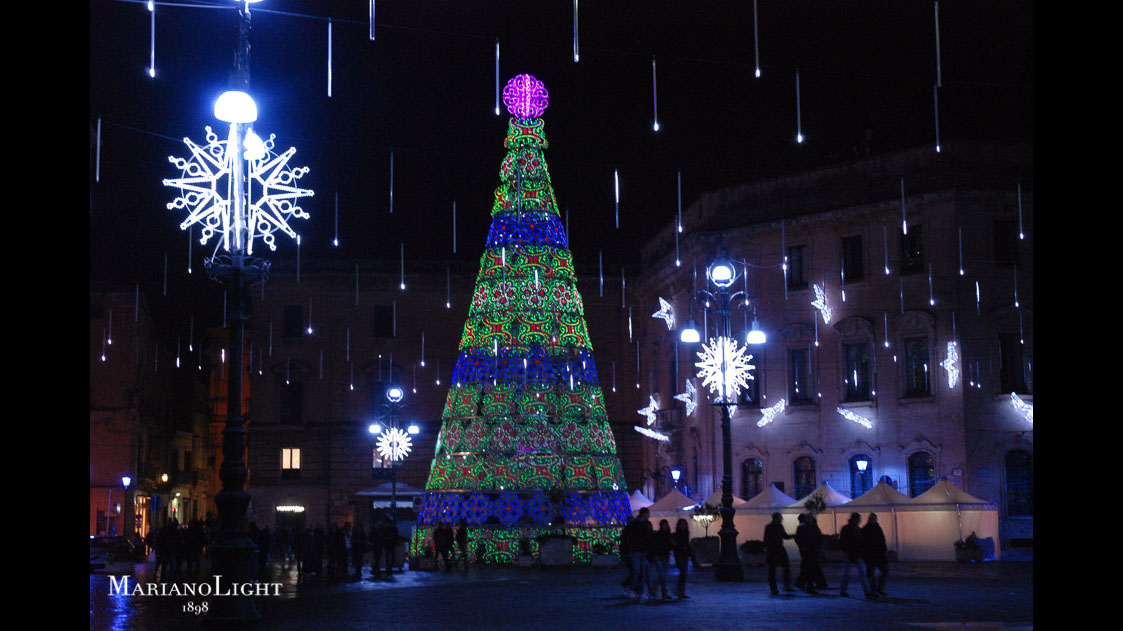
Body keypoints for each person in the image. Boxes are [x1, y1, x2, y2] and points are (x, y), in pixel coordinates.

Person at [838, 512, 874, 599]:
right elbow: (844, 542)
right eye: (858, 519)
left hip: (854, 554)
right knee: (858, 573)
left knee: (851, 573)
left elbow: (843, 542)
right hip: (852, 554)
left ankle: (844, 590)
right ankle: (866, 591)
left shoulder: (850, 529)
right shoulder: (855, 529)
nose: (859, 521)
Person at [619, 507, 651, 600]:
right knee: (637, 571)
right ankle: (631, 589)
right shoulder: (636, 525)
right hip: (635, 551)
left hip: (640, 551)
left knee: (640, 572)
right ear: (645, 514)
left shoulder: (640, 525)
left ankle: (638, 591)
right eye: (648, 514)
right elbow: (627, 539)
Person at [763, 512, 795, 596]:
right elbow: (784, 536)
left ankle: (776, 588)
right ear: (776, 518)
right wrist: (794, 536)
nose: (781, 519)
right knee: (779, 567)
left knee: (774, 569)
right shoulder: (774, 527)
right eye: (780, 518)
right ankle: (783, 586)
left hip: (774, 549)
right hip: (776, 549)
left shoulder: (771, 527)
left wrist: (793, 536)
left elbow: (783, 536)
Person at [862, 513, 889, 597]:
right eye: (871, 518)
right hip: (871, 555)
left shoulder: (877, 528)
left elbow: (882, 540)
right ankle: (874, 590)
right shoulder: (866, 529)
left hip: (879, 554)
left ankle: (879, 589)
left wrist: (884, 550)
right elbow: (863, 543)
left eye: (874, 518)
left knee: (885, 570)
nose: (873, 520)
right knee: (871, 573)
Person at [646, 519, 673, 600]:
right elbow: (654, 546)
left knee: (662, 575)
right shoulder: (658, 535)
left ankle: (657, 590)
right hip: (659, 557)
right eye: (664, 525)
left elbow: (669, 546)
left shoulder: (668, 535)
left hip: (665, 557)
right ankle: (662, 592)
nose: (665, 526)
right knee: (662, 575)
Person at [671, 518, 697, 599]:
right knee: (683, 572)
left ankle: (681, 591)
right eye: (681, 524)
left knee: (684, 573)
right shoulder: (676, 534)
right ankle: (679, 590)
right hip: (679, 554)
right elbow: (676, 544)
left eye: (684, 524)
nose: (683, 526)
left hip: (684, 554)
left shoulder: (686, 533)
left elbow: (686, 544)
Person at [805, 513, 828, 590]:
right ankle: (819, 583)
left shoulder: (810, 527)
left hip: (812, 550)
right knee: (814, 568)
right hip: (811, 550)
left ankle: (815, 584)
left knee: (812, 568)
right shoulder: (813, 527)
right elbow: (819, 538)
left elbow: (818, 538)